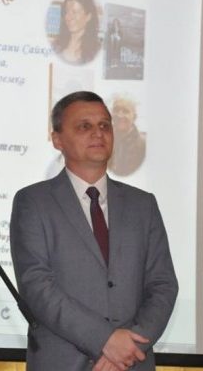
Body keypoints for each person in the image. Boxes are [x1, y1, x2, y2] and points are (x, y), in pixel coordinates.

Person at [10, 91, 177, 370]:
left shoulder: (143, 204)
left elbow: (163, 285)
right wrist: (105, 340)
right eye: (84, 126)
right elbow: (36, 286)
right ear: (57, 139)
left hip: (131, 361)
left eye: (104, 125)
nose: (98, 133)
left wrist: (129, 347)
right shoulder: (33, 202)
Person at [53, 0, 101, 65]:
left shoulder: (96, 52)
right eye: (66, 12)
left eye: (75, 12)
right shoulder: (56, 45)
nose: (68, 17)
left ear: (88, 17)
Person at [108, 95, 146, 176]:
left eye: (125, 111)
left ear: (134, 117)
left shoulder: (144, 144)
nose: (119, 115)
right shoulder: (103, 140)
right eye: (116, 110)